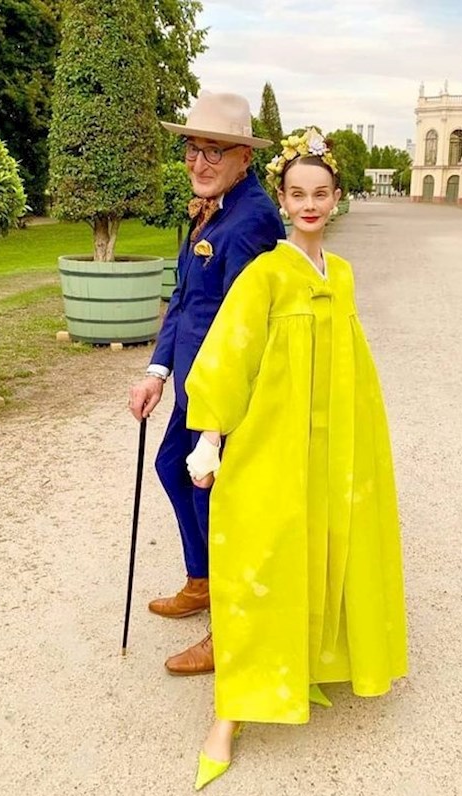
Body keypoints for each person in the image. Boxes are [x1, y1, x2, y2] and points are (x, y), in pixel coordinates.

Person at [182, 129, 408, 790]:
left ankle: (308, 663)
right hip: (275, 442)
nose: (309, 204)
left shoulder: (343, 275)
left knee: (328, 549)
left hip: (336, 443)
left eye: (320, 193)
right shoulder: (266, 275)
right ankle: (228, 714)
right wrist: (209, 437)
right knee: (262, 558)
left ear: (336, 198)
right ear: (281, 199)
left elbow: (351, 362)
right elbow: (230, 355)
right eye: (298, 193)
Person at [128, 92, 285, 675]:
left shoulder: (252, 220)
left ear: (245, 157)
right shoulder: (212, 207)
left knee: (215, 495)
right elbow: (186, 298)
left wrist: (219, 420)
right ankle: (202, 581)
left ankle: (231, 624)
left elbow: (245, 324)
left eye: (214, 150)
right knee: (172, 468)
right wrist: (157, 371)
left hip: (223, 393)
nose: (198, 162)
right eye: (193, 149)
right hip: (193, 384)